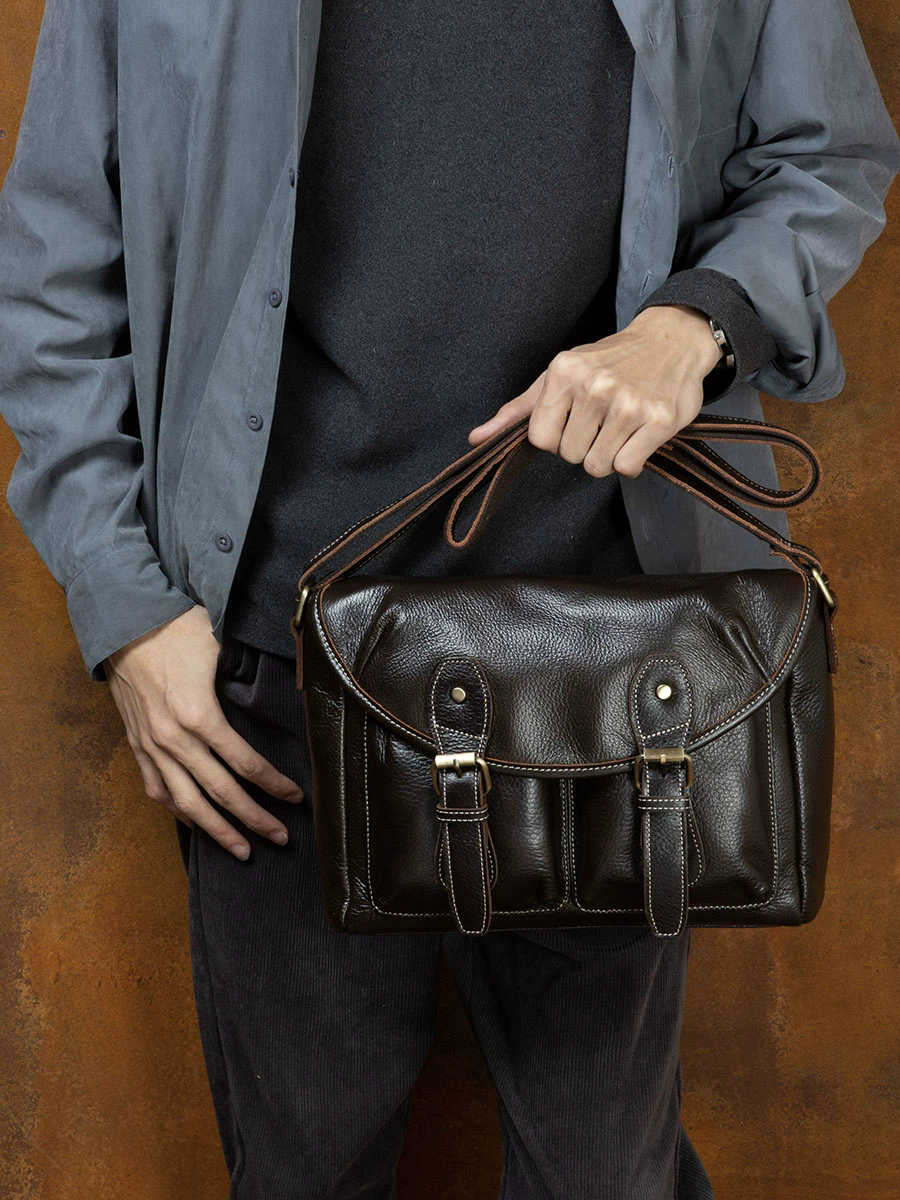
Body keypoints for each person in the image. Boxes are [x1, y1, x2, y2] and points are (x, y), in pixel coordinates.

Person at [1, 1, 897, 1196]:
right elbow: (54, 265)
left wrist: (696, 322)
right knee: (304, 1174)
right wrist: (128, 610)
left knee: (605, 1178)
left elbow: (827, 153)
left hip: (622, 686)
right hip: (274, 675)